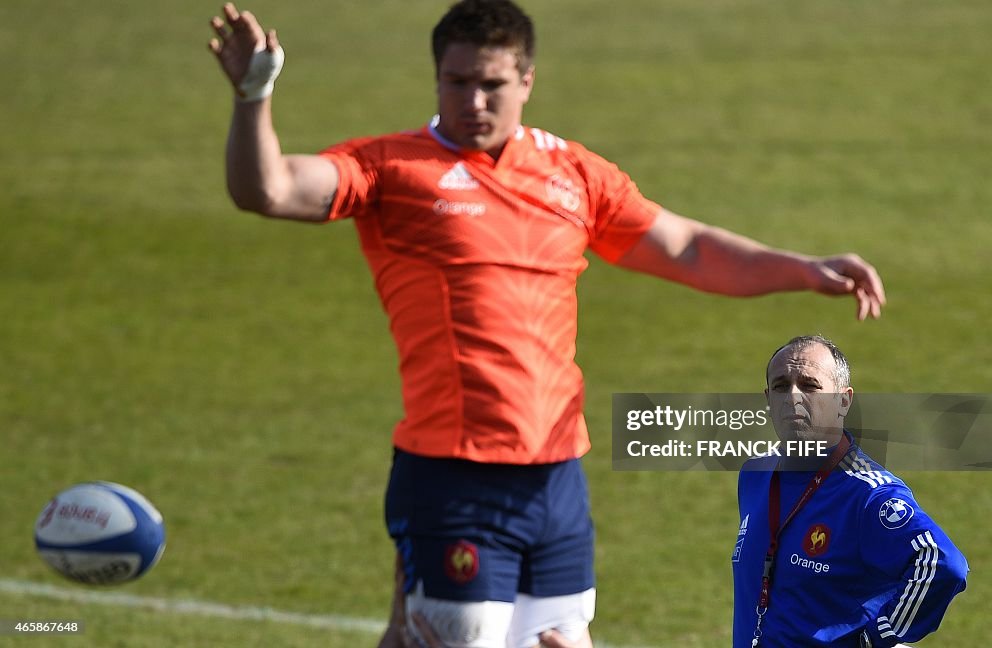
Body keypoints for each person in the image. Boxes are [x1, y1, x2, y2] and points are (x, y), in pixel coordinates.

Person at [207, 1, 887, 645]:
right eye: (457, 81)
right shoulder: (392, 170)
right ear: (436, 77)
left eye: (492, 84)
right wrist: (252, 98)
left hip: (559, 475)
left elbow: (687, 248)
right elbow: (267, 189)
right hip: (453, 474)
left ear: (527, 80)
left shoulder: (573, 174)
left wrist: (802, 268)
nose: (474, 101)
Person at [732, 336, 968, 647]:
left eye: (809, 385)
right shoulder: (755, 475)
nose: (792, 396)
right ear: (768, 399)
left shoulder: (868, 494)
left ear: (844, 400)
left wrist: (878, 636)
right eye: (780, 386)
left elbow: (941, 562)